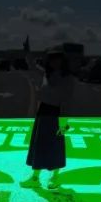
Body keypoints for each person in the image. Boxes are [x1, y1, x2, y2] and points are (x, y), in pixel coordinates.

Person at [24, 47, 76, 190]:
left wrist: (63, 123)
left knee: (55, 146)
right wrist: (27, 51)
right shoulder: (46, 73)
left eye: (58, 59)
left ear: (63, 61)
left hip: (57, 112)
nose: (55, 62)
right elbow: (32, 65)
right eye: (52, 59)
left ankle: (55, 178)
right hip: (43, 111)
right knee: (39, 144)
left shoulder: (68, 78)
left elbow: (67, 101)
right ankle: (35, 178)